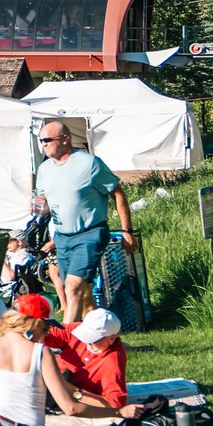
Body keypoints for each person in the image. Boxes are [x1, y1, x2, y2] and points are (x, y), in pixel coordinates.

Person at [35, 118, 136, 322]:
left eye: (47, 140)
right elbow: (42, 199)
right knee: (84, 295)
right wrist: (38, 206)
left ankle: (66, 344)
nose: (43, 144)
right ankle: (103, 339)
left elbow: (117, 193)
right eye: (41, 141)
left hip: (89, 234)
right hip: (62, 237)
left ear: (65, 139)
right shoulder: (45, 169)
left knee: (72, 289)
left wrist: (127, 231)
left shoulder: (89, 163)